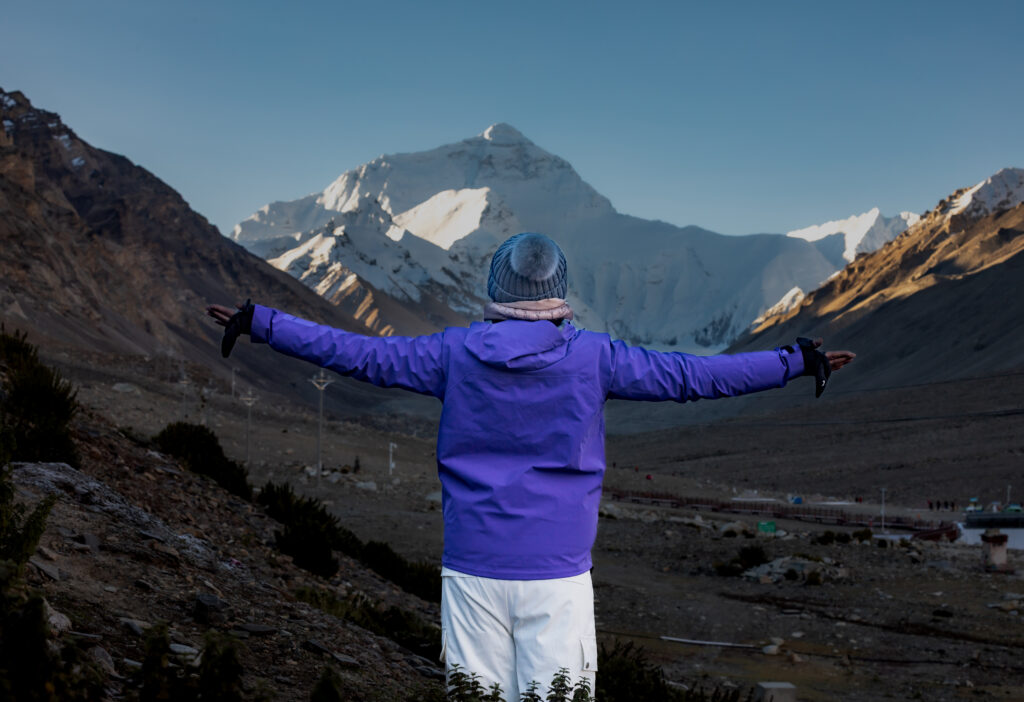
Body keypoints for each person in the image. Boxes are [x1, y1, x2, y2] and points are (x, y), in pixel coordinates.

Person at [207, 232, 855, 699]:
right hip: (559, 578)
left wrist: (262, 321)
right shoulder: (595, 357)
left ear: (496, 288)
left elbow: (358, 354)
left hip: (471, 571)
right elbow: (694, 377)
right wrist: (793, 362)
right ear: (557, 292)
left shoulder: (453, 354)